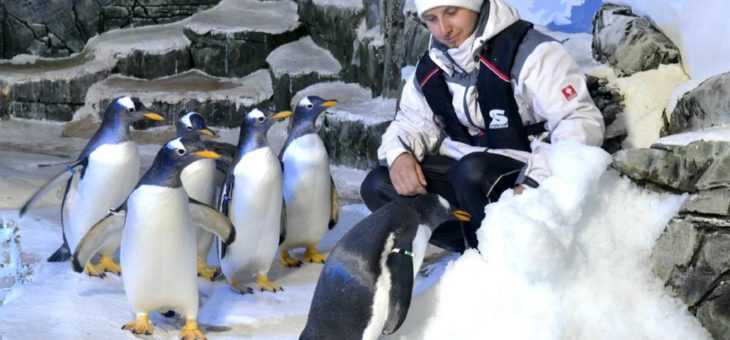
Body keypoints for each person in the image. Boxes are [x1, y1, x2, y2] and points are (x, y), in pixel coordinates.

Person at [360, 0, 605, 252]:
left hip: (526, 169)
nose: (444, 28)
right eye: (431, 19)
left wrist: (534, 185)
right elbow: (410, 122)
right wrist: (399, 154)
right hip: (467, 175)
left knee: (470, 172)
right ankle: (473, 249)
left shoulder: (532, 53)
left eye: (452, 12)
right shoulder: (433, 65)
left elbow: (579, 121)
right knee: (379, 186)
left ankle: (500, 262)